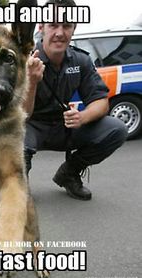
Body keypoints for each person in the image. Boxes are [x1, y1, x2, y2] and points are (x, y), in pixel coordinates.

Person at [23, 0, 128, 200]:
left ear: (74, 29)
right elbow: (21, 115)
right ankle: (17, 185)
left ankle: (69, 173)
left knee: (116, 129)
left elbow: (101, 101)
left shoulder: (81, 60)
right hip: (30, 127)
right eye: (53, 25)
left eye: (67, 25)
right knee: (11, 133)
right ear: (41, 27)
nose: (60, 32)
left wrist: (82, 116)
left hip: (65, 125)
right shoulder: (23, 59)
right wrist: (31, 82)